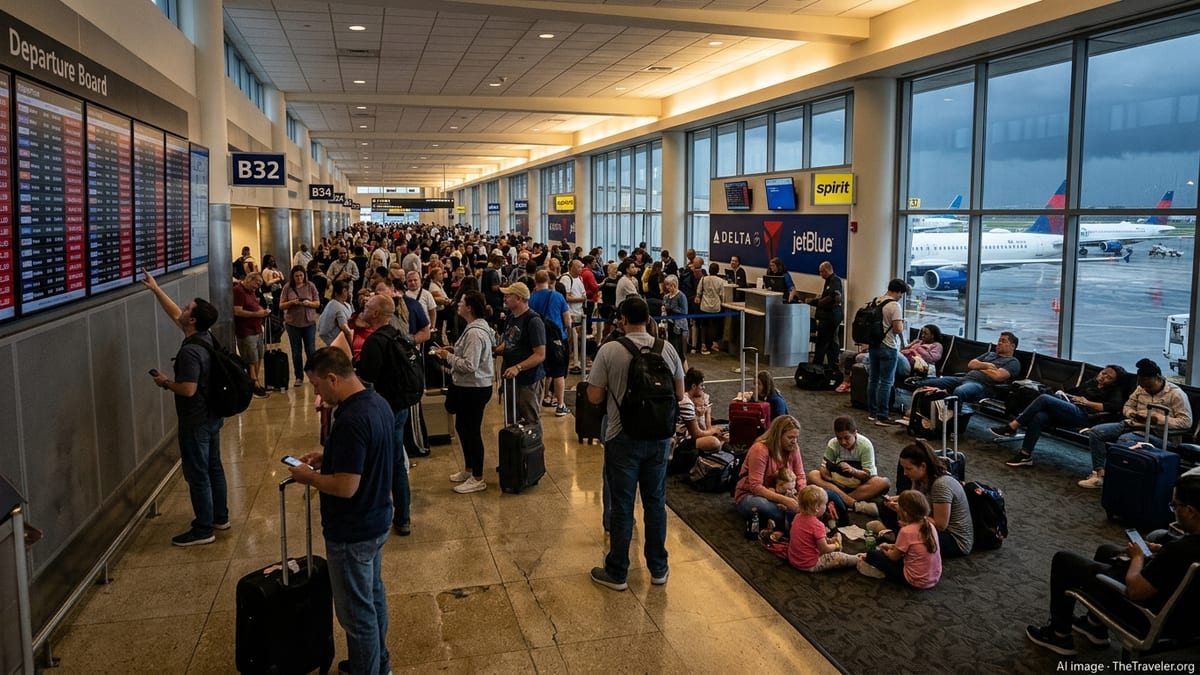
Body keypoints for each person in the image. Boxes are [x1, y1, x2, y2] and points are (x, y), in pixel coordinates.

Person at [287, 347, 394, 675]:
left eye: (318, 386)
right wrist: (327, 459)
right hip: (377, 518)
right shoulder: (377, 402)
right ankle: (379, 664)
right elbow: (367, 458)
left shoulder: (350, 419)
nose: (317, 394)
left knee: (355, 614)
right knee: (373, 598)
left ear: (333, 378)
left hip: (352, 529)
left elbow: (347, 487)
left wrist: (310, 477)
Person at [1025, 473, 1200, 657]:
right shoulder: (1184, 548)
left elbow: (1135, 590)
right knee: (1106, 550)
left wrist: (1138, 558)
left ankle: (1058, 634)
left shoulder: (1179, 551)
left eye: (1175, 506)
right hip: (1189, 616)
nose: (1173, 510)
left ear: (1190, 511)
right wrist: (1162, 550)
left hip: (1148, 615)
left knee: (1064, 560)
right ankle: (1094, 626)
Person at [586, 296, 686, 591]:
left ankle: (617, 571)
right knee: (656, 503)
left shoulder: (610, 351)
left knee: (622, 505)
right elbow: (679, 395)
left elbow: (594, 397)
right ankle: (658, 568)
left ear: (622, 320)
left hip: (622, 437)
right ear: (649, 319)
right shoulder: (666, 350)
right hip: (658, 438)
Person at [140, 269, 229, 546]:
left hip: (196, 420)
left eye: (188, 307)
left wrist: (166, 382)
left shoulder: (190, 350)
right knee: (214, 467)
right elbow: (175, 312)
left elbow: (188, 389)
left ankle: (203, 528)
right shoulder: (204, 337)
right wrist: (156, 290)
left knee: (197, 473)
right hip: (213, 415)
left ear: (192, 320)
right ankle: (220, 516)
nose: (184, 308)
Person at [353, 294, 414, 537]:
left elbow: (364, 382)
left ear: (376, 313)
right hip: (401, 406)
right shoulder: (397, 334)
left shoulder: (374, 343)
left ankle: (379, 514)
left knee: (380, 463)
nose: (363, 309)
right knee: (397, 462)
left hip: (383, 410)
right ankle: (404, 517)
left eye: (367, 306)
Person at [1080, 358, 1193, 489]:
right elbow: (1127, 407)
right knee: (1097, 432)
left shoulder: (1176, 394)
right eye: (1142, 385)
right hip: (1134, 425)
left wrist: (1157, 419)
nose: (1145, 388)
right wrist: (1133, 414)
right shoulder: (1141, 389)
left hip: (1159, 434)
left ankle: (1122, 479)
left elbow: (1186, 422)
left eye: (1148, 386)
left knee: (1125, 440)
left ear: (1157, 378)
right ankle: (1100, 474)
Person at [991, 364, 1128, 467]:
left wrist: (1087, 402)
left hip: (1085, 415)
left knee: (1044, 398)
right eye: (1103, 373)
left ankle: (1012, 426)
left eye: (1108, 377)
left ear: (1114, 382)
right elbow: (1074, 392)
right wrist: (1066, 396)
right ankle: (1025, 455)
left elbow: (1114, 407)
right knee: (1040, 416)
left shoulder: (1115, 391)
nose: (1103, 377)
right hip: (1071, 409)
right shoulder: (1092, 383)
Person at [433, 291, 495, 494]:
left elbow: (470, 365)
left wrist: (448, 357)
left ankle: (478, 476)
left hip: (475, 388)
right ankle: (468, 468)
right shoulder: (473, 329)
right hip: (469, 387)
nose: (457, 304)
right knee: (462, 427)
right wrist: (455, 351)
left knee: (472, 431)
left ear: (469, 307)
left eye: (461, 302)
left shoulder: (475, 333)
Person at [868, 442, 973, 558]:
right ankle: (898, 538)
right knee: (885, 507)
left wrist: (903, 511)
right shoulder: (920, 478)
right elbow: (916, 501)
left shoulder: (941, 485)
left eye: (908, 469)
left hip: (953, 539)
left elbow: (940, 525)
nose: (905, 473)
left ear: (923, 466)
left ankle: (899, 542)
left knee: (912, 529)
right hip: (930, 521)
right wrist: (898, 500)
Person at [857, 490, 942, 589]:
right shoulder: (930, 525)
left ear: (905, 513)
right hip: (934, 577)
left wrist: (885, 550)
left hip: (915, 580)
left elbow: (893, 557)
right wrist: (891, 546)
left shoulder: (906, 531)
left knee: (872, 555)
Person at [807, 416, 891, 515]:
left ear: (855, 433)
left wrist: (853, 471)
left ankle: (838, 499)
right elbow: (823, 466)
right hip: (836, 482)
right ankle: (852, 503)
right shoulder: (833, 443)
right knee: (813, 475)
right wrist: (827, 476)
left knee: (883, 482)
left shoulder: (865, 445)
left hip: (858, 486)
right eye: (839, 438)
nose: (843, 442)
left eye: (847, 438)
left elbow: (868, 476)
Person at [734, 415, 807, 529]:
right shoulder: (760, 449)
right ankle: (797, 525)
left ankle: (793, 524)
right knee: (769, 508)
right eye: (790, 437)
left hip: (784, 493)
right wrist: (785, 500)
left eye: (796, 437)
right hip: (751, 495)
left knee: (815, 498)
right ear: (778, 436)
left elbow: (800, 476)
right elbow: (756, 487)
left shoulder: (794, 448)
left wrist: (803, 496)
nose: (794, 441)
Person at [914, 331, 1021, 407]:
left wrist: (979, 366)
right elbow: (971, 364)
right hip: (964, 378)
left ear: (1012, 346)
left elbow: (998, 376)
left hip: (982, 386)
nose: (999, 343)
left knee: (959, 391)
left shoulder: (1013, 362)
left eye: (1003, 341)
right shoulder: (990, 354)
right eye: (999, 340)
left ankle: (951, 422)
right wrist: (987, 366)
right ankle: (916, 413)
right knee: (925, 382)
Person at [495, 282, 547, 427]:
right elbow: (510, 341)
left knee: (531, 419)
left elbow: (540, 354)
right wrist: (494, 350)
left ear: (519, 298)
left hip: (528, 379)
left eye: (508, 296)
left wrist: (518, 367)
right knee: (512, 420)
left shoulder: (533, 321)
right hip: (510, 378)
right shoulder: (511, 318)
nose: (505, 298)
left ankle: (533, 448)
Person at [782, 486, 859, 573]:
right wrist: (836, 544)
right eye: (825, 504)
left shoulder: (797, 517)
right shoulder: (818, 525)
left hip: (793, 559)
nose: (826, 507)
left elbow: (809, 538)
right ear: (817, 507)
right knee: (839, 557)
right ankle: (858, 559)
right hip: (808, 564)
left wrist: (829, 540)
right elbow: (824, 550)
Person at [528, 270, 571, 417]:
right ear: (549, 281)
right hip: (556, 339)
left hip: (536, 339)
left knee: (541, 371)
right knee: (559, 374)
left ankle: (542, 400)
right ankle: (560, 405)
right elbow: (568, 321)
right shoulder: (557, 297)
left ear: (535, 281)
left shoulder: (531, 298)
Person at [867, 278, 909, 426]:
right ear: (898, 291)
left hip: (874, 345)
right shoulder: (894, 306)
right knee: (886, 382)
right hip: (888, 346)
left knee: (873, 379)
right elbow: (897, 328)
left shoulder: (876, 301)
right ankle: (882, 416)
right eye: (901, 294)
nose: (900, 297)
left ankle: (872, 412)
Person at [279, 265, 321, 386]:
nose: (299, 278)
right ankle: (299, 376)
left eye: (301, 275)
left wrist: (309, 303)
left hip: (309, 323)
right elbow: (281, 305)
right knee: (296, 351)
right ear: (293, 276)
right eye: (296, 276)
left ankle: (313, 374)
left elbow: (317, 303)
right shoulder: (288, 287)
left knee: (311, 350)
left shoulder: (310, 286)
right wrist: (292, 302)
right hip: (293, 324)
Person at [232, 271, 271, 398]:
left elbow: (254, 305)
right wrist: (256, 314)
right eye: (257, 283)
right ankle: (253, 383)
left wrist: (262, 311)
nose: (258, 287)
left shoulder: (251, 292)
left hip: (257, 328)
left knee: (259, 356)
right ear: (249, 279)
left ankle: (255, 381)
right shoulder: (238, 291)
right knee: (251, 358)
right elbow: (237, 311)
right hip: (246, 330)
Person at [805, 261, 844, 369]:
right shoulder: (829, 281)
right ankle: (831, 364)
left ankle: (818, 364)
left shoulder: (835, 281)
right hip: (828, 316)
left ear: (826, 271)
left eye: (821, 272)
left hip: (831, 316)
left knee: (823, 341)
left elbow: (834, 296)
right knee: (829, 341)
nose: (820, 274)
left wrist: (818, 302)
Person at [695, 261, 726, 354]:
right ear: (717, 270)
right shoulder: (720, 281)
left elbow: (699, 291)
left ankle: (703, 344)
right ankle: (714, 343)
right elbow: (722, 294)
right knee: (716, 325)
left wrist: (698, 297)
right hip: (716, 306)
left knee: (704, 325)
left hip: (705, 305)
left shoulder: (704, 279)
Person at [660, 275, 690, 370]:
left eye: (669, 285)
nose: (668, 287)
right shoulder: (666, 296)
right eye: (667, 285)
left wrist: (672, 308)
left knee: (680, 352)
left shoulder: (681, 296)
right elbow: (664, 307)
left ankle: (685, 371)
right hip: (668, 325)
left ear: (674, 285)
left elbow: (684, 312)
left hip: (679, 327)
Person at [317, 279, 354, 347]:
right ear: (336, 293)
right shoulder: (336, 306)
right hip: (337, 340)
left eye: (347, 290)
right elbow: (346, 329)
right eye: (344, 291)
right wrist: (353, 345)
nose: (347, 293)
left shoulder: (346, 304)